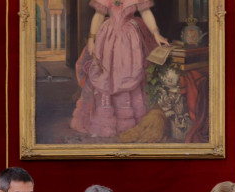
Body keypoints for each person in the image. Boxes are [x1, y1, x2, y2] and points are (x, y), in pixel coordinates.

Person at [71, 0, 170, 138]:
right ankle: (105, 121)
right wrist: (92, 38)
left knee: (129, 72)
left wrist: (156, 33)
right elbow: (99, 15)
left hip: (130, 39)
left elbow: (146, 12)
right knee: (106, 75)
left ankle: (128, 121)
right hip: (108, 37)